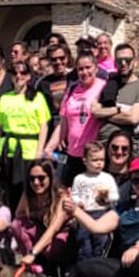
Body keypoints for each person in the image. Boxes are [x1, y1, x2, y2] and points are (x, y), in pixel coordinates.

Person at [0, 76, 52, 208]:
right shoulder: (5, 98)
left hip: (29, 152)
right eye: (15, 73)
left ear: (29, 76)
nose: (19, 76)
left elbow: (43, 126)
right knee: (7, 191)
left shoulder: (37, 97)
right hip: (7, 150)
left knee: (26, 189)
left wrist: (40, 151)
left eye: (23, 72)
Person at [11, 162, 75, 277]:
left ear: (50, 178)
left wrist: (33, 253)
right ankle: (32, 268)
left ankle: (57, 271)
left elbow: (54, 228)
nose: (36, 182)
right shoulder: (29, 194)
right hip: (43, 231)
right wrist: (38, 214)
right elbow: (18, 215)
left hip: (62, 235)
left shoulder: (61, 195)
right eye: (32, 178)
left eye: (41, 178)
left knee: (49, 248)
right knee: (16, 225)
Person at [56, 54, 107, 186]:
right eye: (80, 69)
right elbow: (64, 116)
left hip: (93, 156)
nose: (84, 72)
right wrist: (61, 137)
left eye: (88, 67)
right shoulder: (72, 88)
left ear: (96, 68)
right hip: (72, 152)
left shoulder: (103, 87)